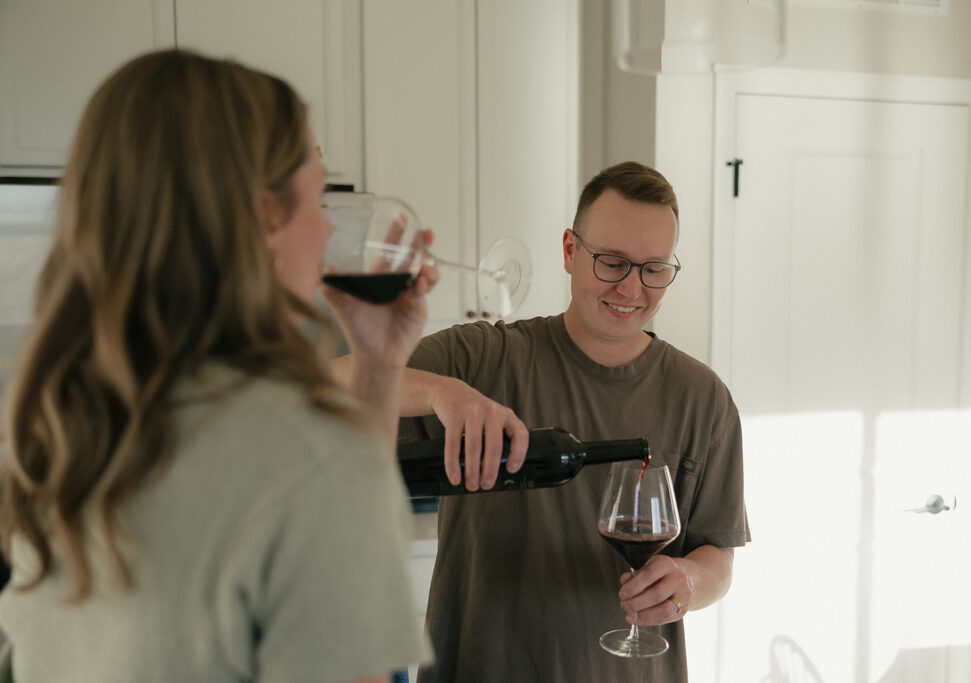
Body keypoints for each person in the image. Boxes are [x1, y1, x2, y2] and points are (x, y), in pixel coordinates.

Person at [0, 49, 435, 682]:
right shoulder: (307, 460)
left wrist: (377, 364)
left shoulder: (54, 439)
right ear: (263, 218)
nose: (325, 230)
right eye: (318, 201)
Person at [374, 161, 750, 682]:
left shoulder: (704, 398)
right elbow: (326, 390)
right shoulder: (481, 359)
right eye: (612, 262)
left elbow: (719, 557)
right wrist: (437, 389)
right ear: (571, 251)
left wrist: (688, 580)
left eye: (654, 269)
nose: (632, 288)